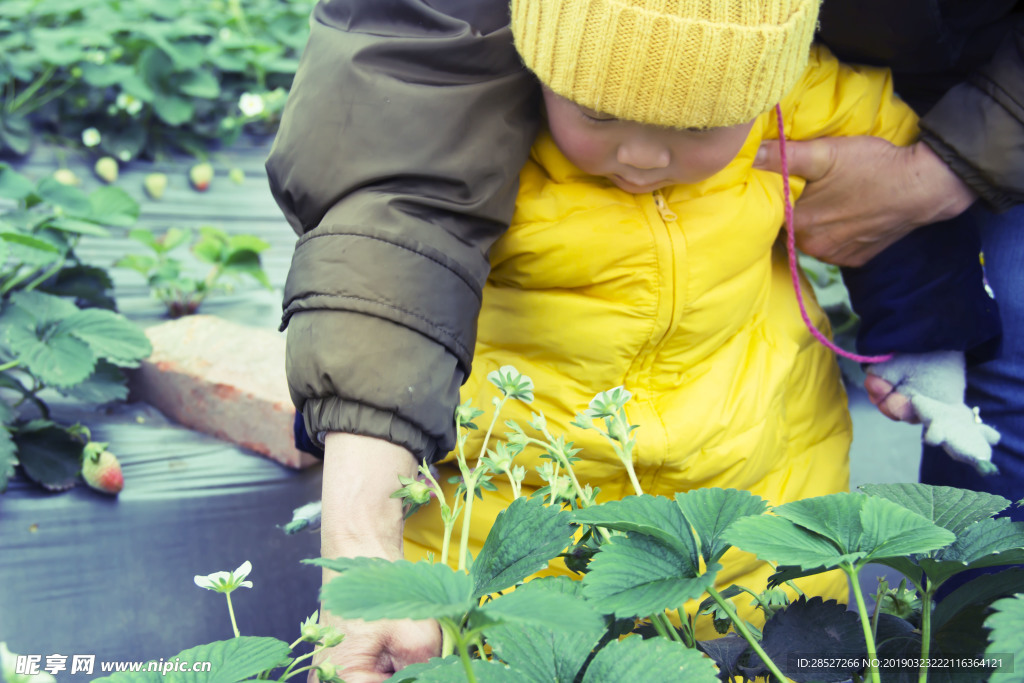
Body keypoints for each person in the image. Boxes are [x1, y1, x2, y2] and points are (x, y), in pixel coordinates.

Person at [266, 1, 999, 680]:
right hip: (521, 499)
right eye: (598, 113)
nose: (643, 156)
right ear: (543, 61)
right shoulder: (489, 130)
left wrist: (925, 344)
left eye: (698, 128)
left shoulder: (805, 104)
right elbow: (392, 260)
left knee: (759, 631)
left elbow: (904, 223)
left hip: (758, 478)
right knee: (513, 643)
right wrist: (368, 536)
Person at [752, 1, 1024, 519]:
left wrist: (924, 341)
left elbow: (917, 251)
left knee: (1006, 359)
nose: (640, 157)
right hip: (792, 56)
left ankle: (979, 590)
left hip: (1001, 73)